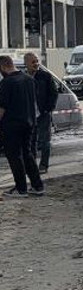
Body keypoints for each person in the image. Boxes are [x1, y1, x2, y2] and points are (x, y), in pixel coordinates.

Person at [0, 56, 44, 198]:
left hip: (12, 125)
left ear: (3, 67)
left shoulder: (7, 83)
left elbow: (2, 108)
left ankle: (21, 189)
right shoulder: (28, 80)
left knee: (14, 156)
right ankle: (38, 186)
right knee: (27, 154)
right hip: (29, 123)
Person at [25, 52, 58, 174]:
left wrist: (48, 108)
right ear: (26, 63)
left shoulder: (45, 76)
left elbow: (54, 93)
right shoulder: (24, 77)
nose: (36, 64)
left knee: (45, 141)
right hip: (29, 115)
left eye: (37, 61)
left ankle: (44, 165)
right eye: (33, 62)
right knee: (31, 142)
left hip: (43, 114)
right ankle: (32, 166)